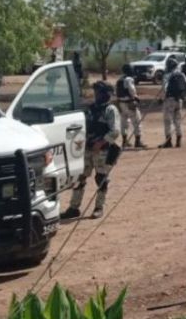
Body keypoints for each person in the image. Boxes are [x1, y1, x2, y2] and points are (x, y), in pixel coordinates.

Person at [61, 81, 121, 220]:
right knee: (80, 178)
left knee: (101, 178)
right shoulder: (91, 108)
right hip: (87, 148)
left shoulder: (110, 110)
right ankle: (74, 207)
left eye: (99, 92)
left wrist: (101, 142)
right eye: (96, 92)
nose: (97, 95)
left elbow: (115, 131)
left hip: (102, 150)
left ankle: (99, 207)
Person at [159, 56, 186, 148]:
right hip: (179, 100)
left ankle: (168, 142)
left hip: (169, 100)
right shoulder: (181, 74)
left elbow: (164, 88)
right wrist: (183, 97)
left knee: (168, 121)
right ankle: (178, 141)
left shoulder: (167, 75)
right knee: (178, 121)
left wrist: (162, 99)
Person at [115, 63, 143, 148]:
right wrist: (136, 97)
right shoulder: (129, 79)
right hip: (129, 103)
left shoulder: (119, 79)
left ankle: (124, 141)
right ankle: (137, 142)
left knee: (124, 122)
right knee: (136, 122)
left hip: (121, 103)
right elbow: (132, 90)